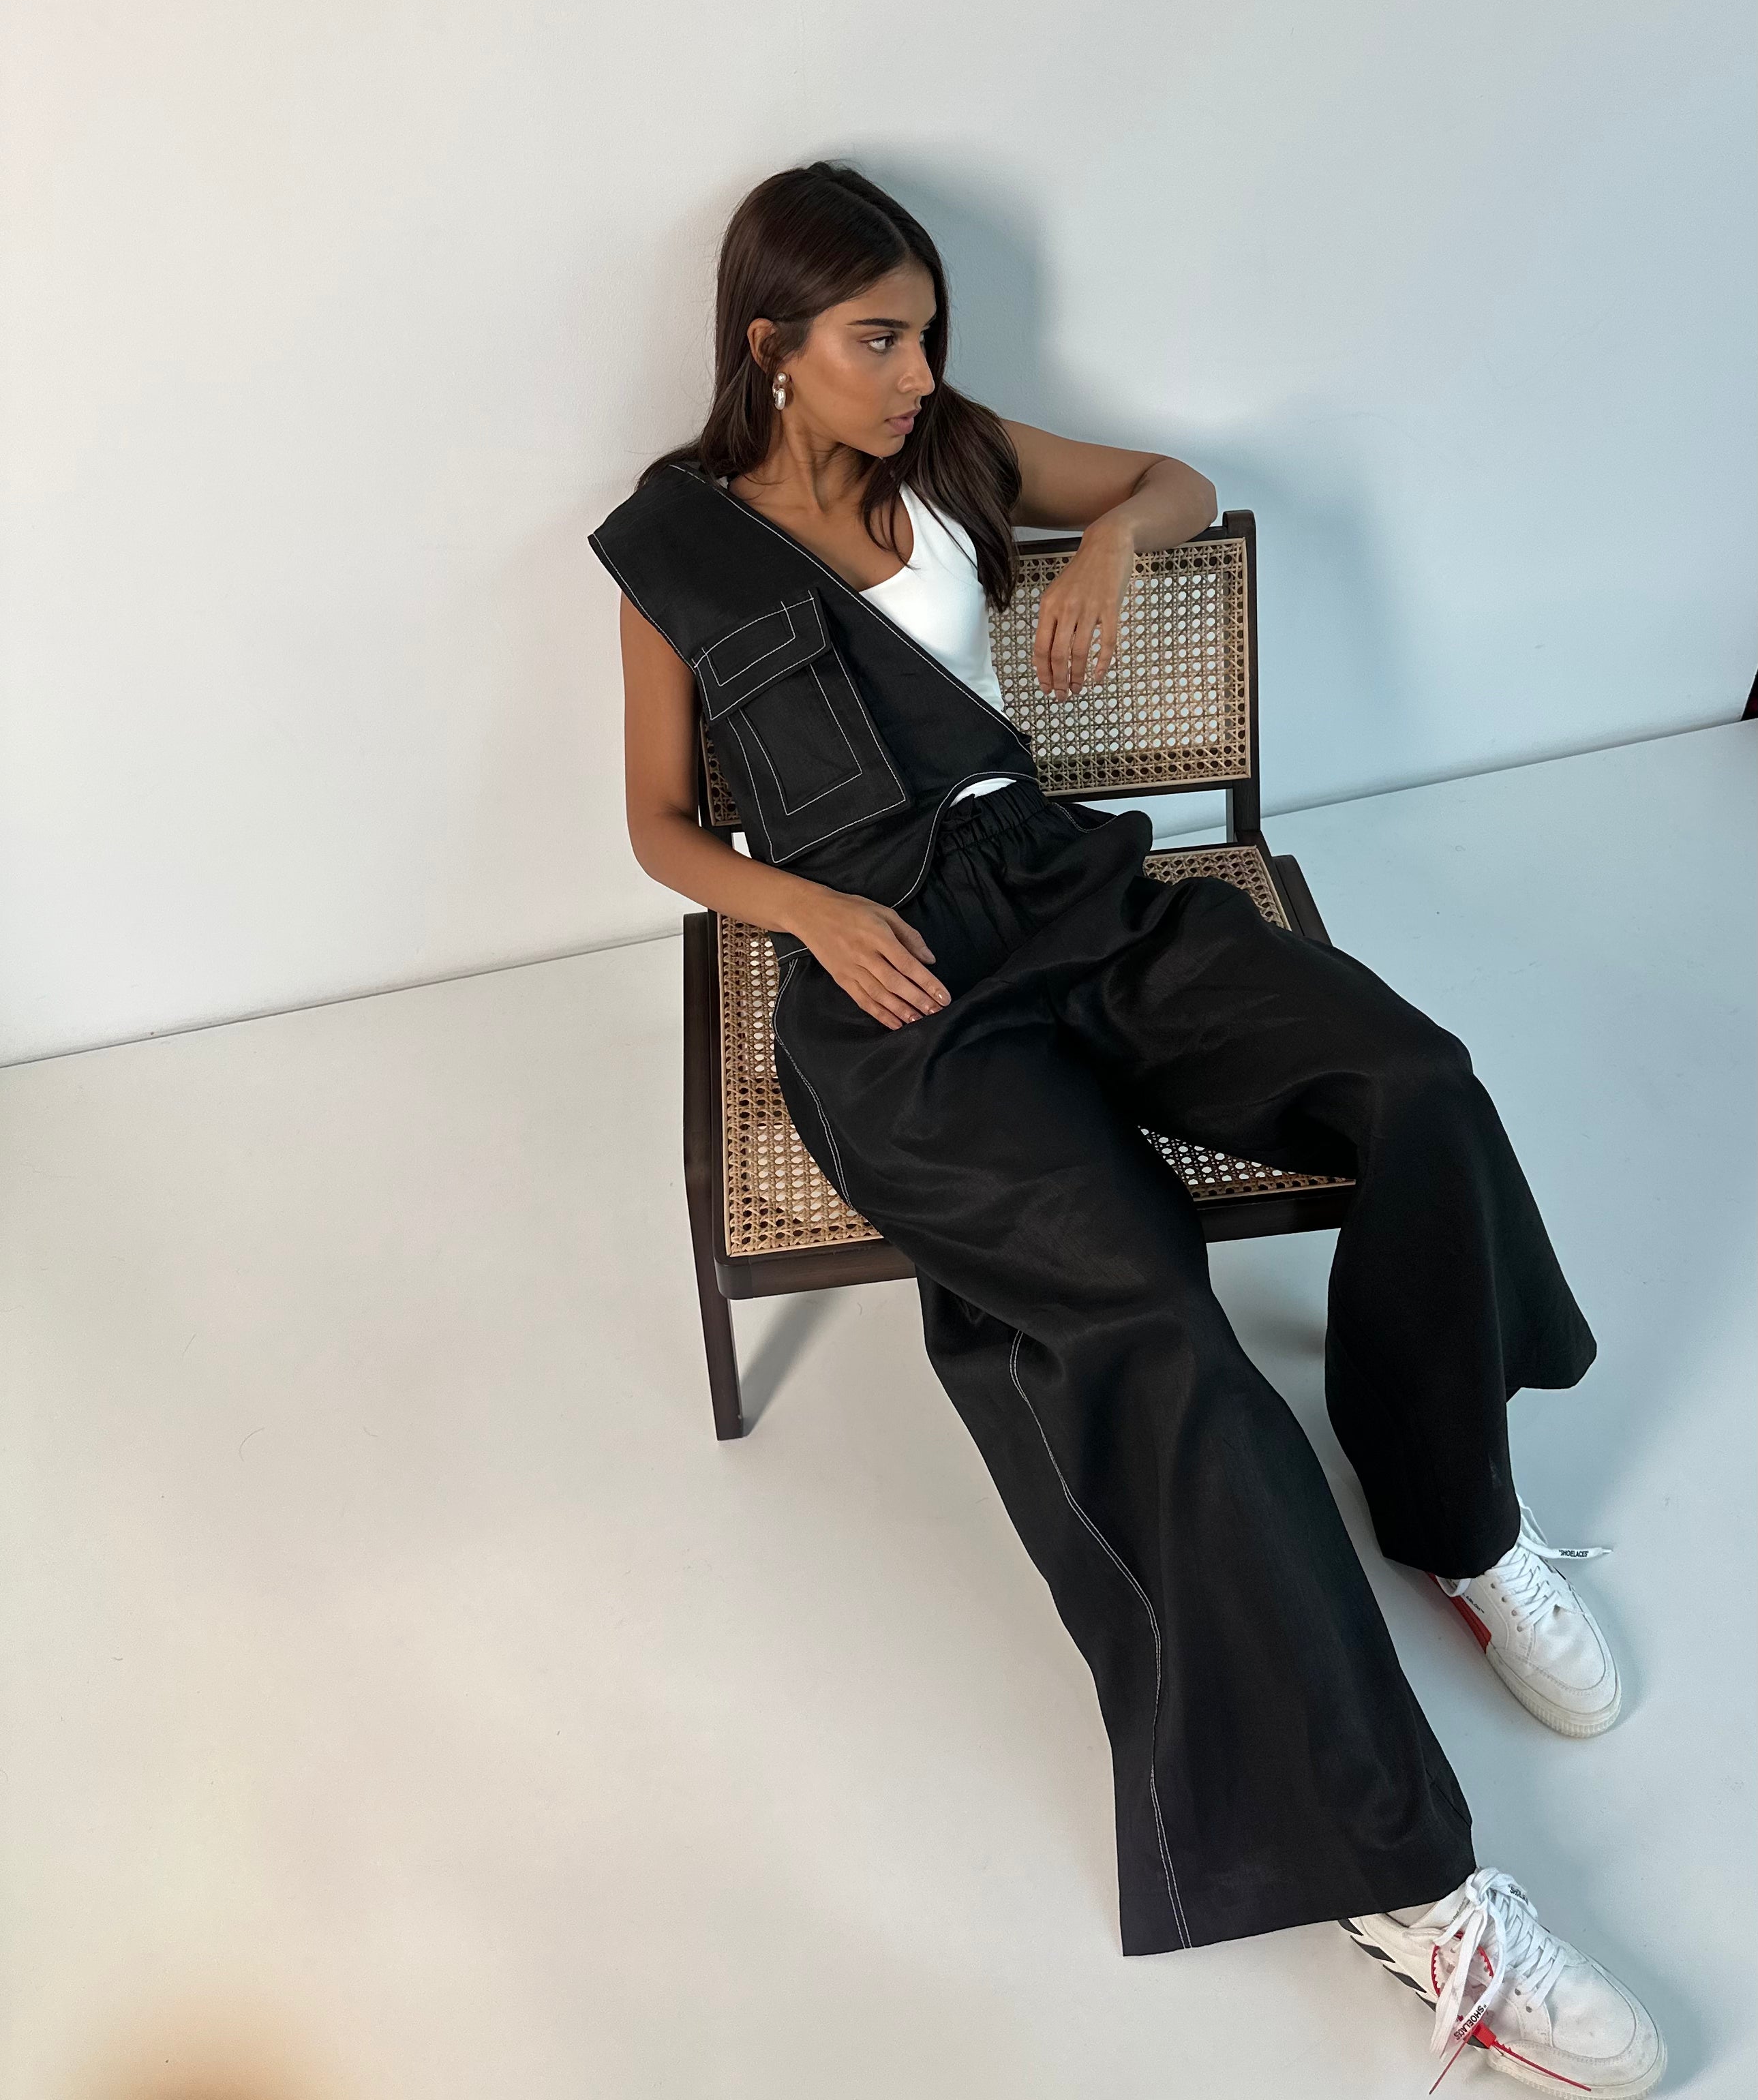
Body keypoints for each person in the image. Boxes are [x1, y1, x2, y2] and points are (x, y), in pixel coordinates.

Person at [591, 162, 1665, 2094]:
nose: (916, 372)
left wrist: (1098, 549)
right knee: (1151, 1332)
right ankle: (1409, 1888)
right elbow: (659, 826)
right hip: (890, 990)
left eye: (926, 333)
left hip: (1064, 890)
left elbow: (1168, 481)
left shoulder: (956, 455)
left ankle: (1455, 1517)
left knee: (1412, 1082)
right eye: (877, 340)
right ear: (771, 345)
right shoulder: (679, 549)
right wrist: (807, 910)